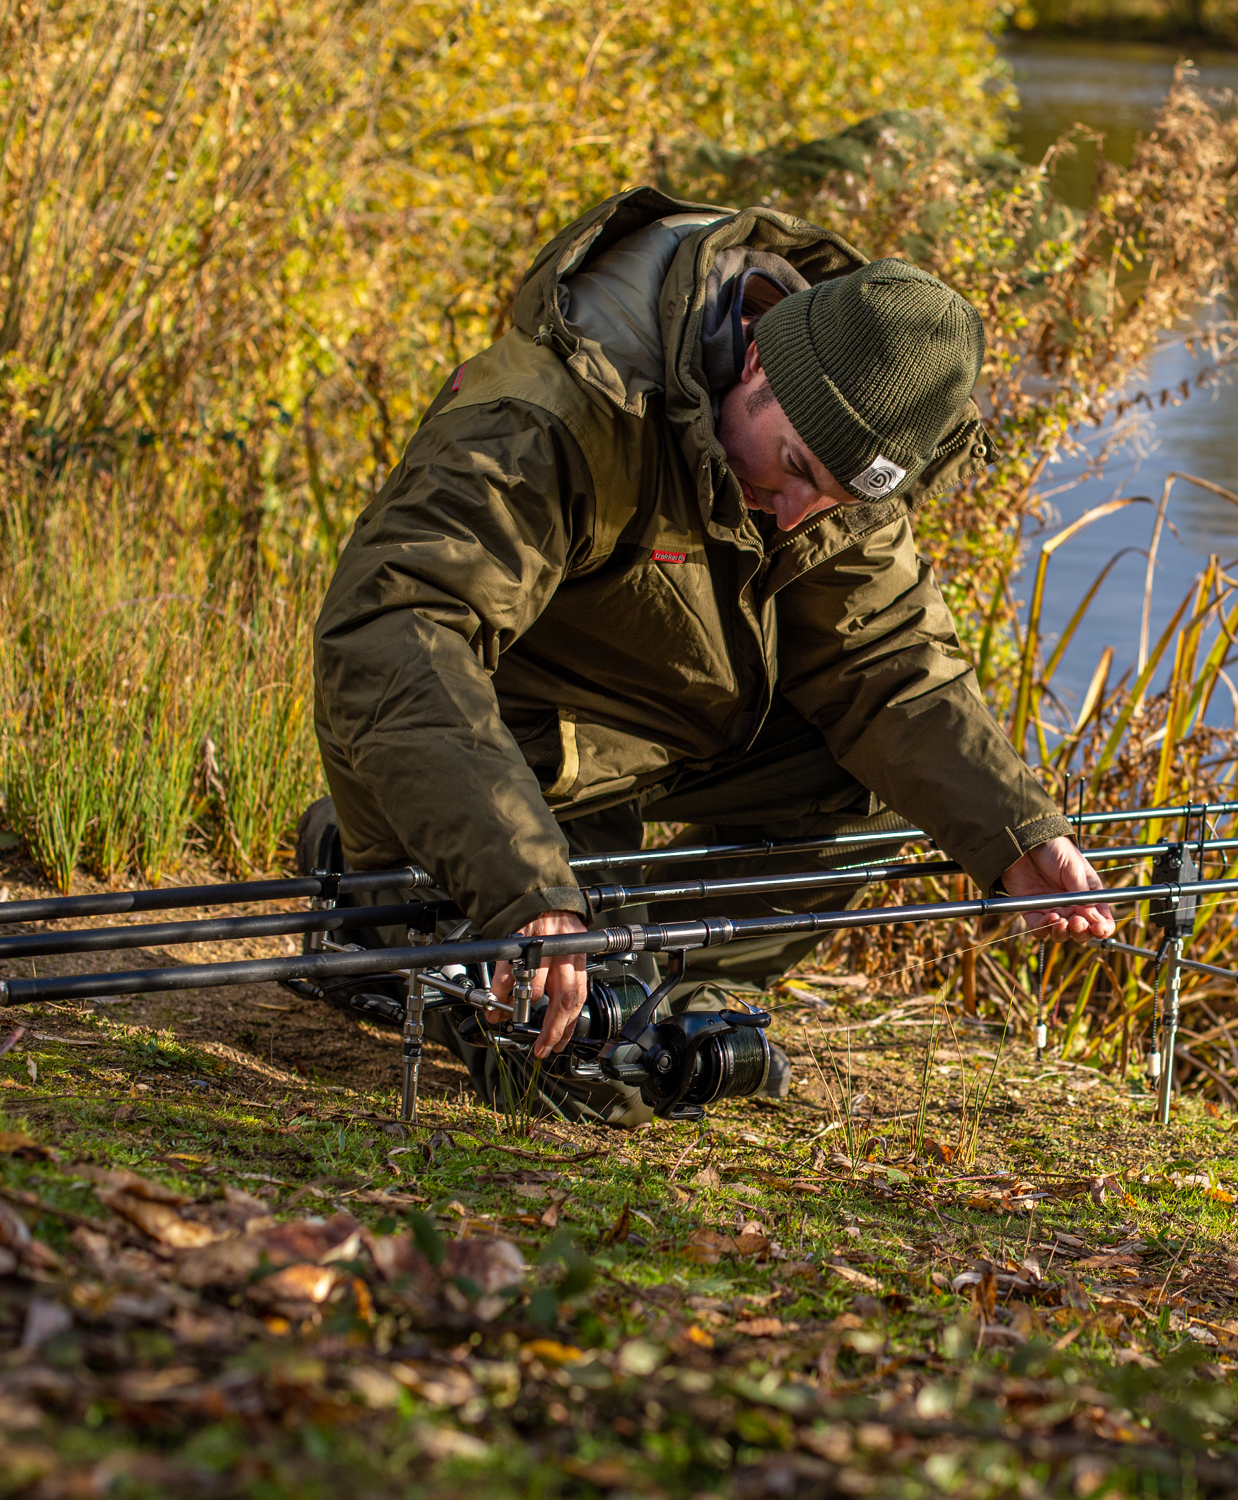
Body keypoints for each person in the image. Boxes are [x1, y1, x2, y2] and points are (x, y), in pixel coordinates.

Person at [308, 187, 1115, 1124]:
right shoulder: (552, 415)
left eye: (841, 500)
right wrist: (523, 885)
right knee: (560, 1083)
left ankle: (662, 989)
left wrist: (1017, 834)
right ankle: (386, 885)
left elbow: (887, 662)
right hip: (511, 750)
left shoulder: (835, 455)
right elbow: (398, 631)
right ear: (757, 358)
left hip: (661, 743)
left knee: (891, 778)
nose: (798, 515)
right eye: (797, 471)